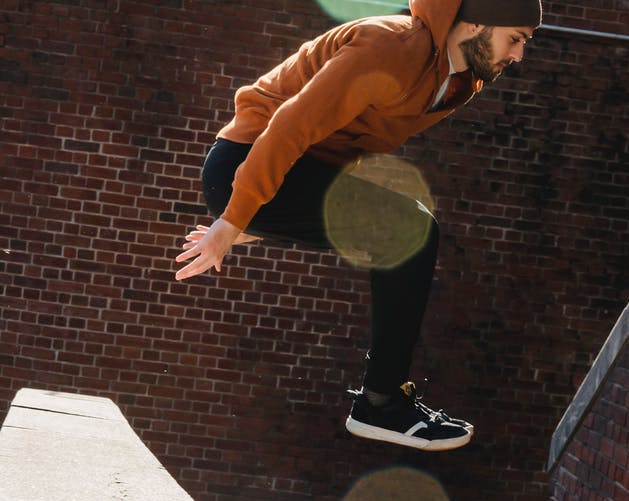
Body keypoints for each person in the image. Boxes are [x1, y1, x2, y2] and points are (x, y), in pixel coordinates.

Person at [173, 0, 541, 451]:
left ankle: (382, 400)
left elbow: (355, 141)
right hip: (248, 161)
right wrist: (236, 216)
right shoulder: (392, 45)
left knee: (406, 234)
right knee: (412, 229)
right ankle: (381, 404)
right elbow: (292, 124)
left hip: (298, 176)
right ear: (480, 22)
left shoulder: (458, 83)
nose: (519, 56)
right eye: (516, 39)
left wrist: (265, 221)